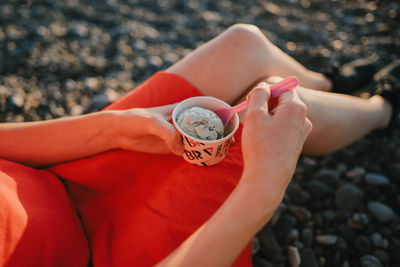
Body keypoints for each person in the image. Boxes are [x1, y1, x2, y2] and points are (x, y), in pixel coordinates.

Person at [0, 24, 398, 267]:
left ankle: (329, 83)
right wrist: (264, 185)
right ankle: (384, 108)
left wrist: (116, 128)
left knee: (243, 44)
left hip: (67, 171)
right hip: (120, 255)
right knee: (277, 108)